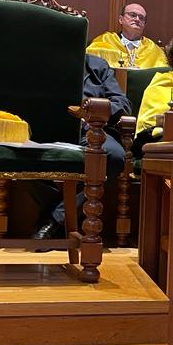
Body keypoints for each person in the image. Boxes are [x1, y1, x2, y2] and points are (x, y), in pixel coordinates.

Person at [32, 54, 132, 240]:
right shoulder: (38, 59)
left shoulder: (97, 65)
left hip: (88, 132)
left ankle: (54, 220)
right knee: (20, 153)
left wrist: (93, 112)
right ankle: (60, 218)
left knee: (115, 156)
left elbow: (121, 103)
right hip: (43, 131)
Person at [86, 3, 167, 70]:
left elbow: (163, 75)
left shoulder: (153, 49)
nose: (137, 19)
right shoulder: (105, 40)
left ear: (144, 24)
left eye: (141, 18)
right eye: (132, 15)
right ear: (121, 19)